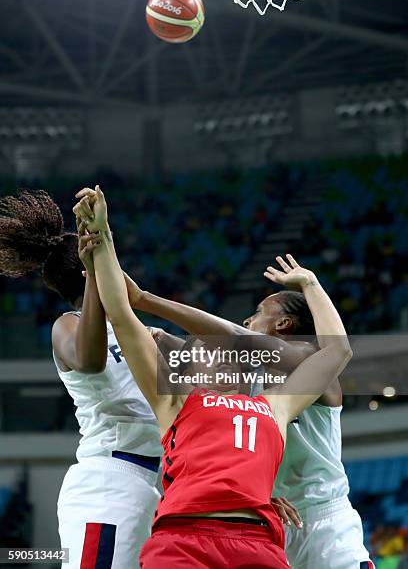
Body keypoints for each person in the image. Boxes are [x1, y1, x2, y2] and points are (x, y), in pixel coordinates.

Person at [75, 184, 353, 569]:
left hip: (263, 541)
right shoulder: (175, 402)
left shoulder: (275, 404)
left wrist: (311, 283)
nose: (213, 352)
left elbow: (336, 351)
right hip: (184, 539)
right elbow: (122, 316)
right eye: (201, 352)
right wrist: (102, 238)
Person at [122, 251, 375, 568]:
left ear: (283, 323)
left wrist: (144, 300)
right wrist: (156, 336)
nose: (247, 320)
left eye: (258, 313)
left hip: (322, 521)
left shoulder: (307, 359)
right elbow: (201, 353)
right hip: (268, 521)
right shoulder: (248, 379)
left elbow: (233, 337)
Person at [0, 190, 162, 569]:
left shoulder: (140, 332)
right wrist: (95, 279)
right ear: (93, 272)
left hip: (154, 484)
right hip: (108, 482)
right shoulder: (66, 326)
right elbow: (89, 363)